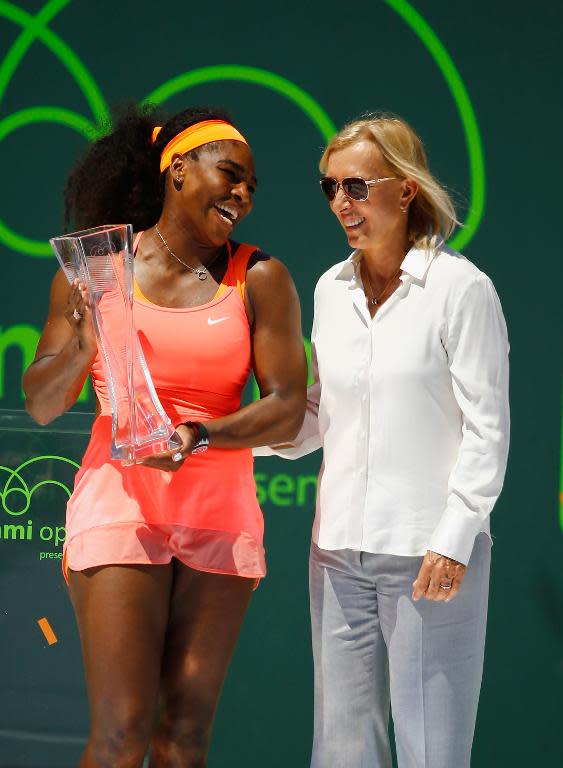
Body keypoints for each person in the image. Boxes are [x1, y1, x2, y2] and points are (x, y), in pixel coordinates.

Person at [23, 104, 307, 768]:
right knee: (120, 737)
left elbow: (287, 409)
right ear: (178, 169)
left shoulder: (260, 276)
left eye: (251, 188)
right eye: (230, 174)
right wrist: (82, 340)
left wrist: (197, 437)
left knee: (182, 741)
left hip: (220, 519)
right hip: (120, 511)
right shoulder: (96, 271)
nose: (242, 194)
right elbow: (41, 402)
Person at [256, 114, 509, 767]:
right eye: (329, 188)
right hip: (336, 554)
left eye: (357, 186)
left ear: (405, 189)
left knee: (432, 751)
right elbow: (321, 413)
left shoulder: (461, 289)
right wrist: (229, 437)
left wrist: (454, 542)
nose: (341, 203)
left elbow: (487, 429)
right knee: (340, 751)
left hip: (428, 555)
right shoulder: (329, 290)